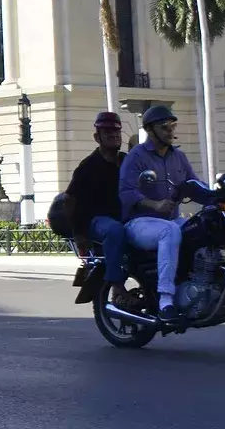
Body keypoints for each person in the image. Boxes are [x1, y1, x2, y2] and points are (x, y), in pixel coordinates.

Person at [118, 104, 198, 323]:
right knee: (169, 231)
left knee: (201, 227)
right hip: (139, 223)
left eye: (172, 125)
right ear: (150, 130)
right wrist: (154, 204)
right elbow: (125, 192)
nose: (170, 131)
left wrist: (221, 195)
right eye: (164, 127)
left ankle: (194, 283)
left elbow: (194, 185)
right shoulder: (136, 156)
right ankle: (165, 299)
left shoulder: (178, 156)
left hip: (170, 220)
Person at [64, 111, 130, 307]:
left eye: (117, 132)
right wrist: (78, 233)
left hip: (125, 217)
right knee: (115, 230)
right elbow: (70, 199)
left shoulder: (126, 161)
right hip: (97, 221)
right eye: (108, 132)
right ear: (97, 137)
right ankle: (117, 287)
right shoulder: (88, 166)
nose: (114, 136)